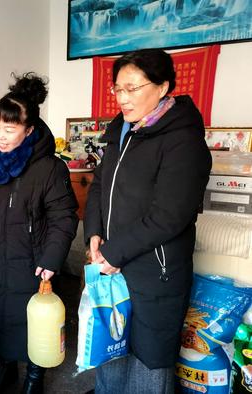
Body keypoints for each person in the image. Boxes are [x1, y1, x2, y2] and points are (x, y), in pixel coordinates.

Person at [84, 49, 212, 394]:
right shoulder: (120, 131)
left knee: (147, 362)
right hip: (113, 265)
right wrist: (94, 233)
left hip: (156, 274)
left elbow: (170, 215)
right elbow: (99, 186)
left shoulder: (183, 140)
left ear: (163, 86)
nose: (123, 98)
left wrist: (115, 253)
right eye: (118, 89)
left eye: (133, 88)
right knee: (110, 350)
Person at [0, 72, 78, 394]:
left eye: (9, 130)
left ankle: (34, 376)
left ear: (29, 131)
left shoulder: (49, 169)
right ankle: (7, 366)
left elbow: (64, 216)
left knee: (35, 320)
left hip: (34, 260)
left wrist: (52, 257)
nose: (0, 135)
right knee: (1, 315)